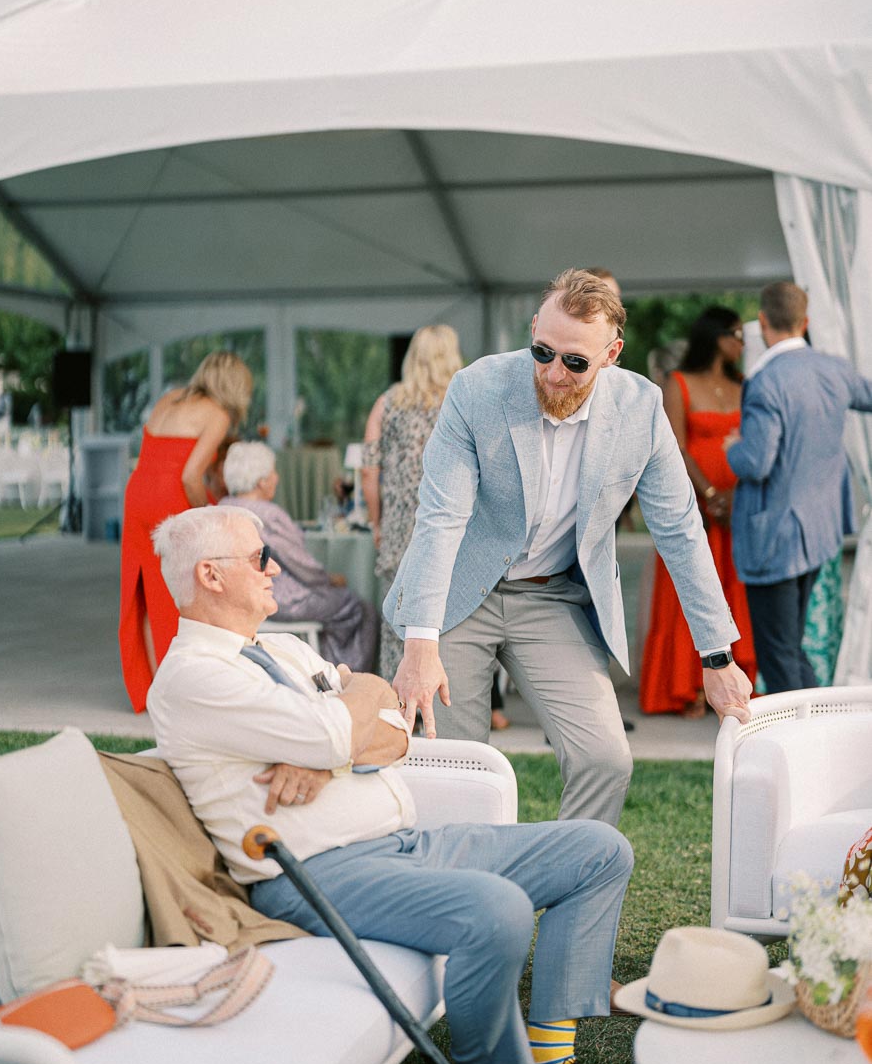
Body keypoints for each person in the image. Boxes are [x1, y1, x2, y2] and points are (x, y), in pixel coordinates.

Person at [146, 505, 638, 1064]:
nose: (275, 568)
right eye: (260, 557)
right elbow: (343, 730)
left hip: (402, 842)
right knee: (496, 908)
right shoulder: (193, 676)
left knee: (598, 850)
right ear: (210, 576)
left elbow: (395, 723)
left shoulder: (284, 650)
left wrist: (339, 738)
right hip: (318, 872)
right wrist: (342, 733)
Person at [386, 268, 752, 826]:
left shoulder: (641, 408)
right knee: (457, 768)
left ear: (611, 355)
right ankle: (466, 878)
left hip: (551, 598)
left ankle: (569, 869)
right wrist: (420, 643)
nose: (554, 373)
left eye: (576, 362)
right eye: (543, 352)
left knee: (605, 760)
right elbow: (441, 518)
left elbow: (680, 531)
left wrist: (716, 655)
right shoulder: (477, 389)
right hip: (457, 595)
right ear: (535, 328)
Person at [724, 281, 872, 695]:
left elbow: (756, 462)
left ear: (763, 321)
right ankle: (819, 724)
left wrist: (733, 448)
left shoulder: (765, 381)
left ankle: (801, 733)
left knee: (779, 655)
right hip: (820, 531)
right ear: (805, 322)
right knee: (789, 648)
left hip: (774, 538)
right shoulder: (835, 369)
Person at [119, 349, 253, 712]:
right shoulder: (217, 414)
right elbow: (190, 476)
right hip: (169, 500)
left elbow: (150, 454)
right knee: (180, 594)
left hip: (137, 494)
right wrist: (209, 514)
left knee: (143, 594)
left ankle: (152, 688)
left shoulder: (169, 398)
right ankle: (180, 691)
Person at [640, 308, 756, 717]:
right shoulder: (678, 382)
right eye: (736, 334)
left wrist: (734, 496)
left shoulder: (744, 384)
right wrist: (707, 494)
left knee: (734, 591)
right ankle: (685, 686)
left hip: (737, 507)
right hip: (694, 505)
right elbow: (675, 444)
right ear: (715, 336)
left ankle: (737, 683)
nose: (742, 342)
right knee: (689, 590)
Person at [220, 440, 378, 671]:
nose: (277, 478)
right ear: (262, 481)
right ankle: (340, 673)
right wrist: (328, 578)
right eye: (273, 472)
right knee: (357, 608)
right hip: (281, 599)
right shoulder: (269, 515)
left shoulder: (223, 507)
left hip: (240, 597)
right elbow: (300, 564)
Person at [362, 325, 463, 683]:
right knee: (450, 620)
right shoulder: (461, 402)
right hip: (452, 528)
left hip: (399, 528)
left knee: (398, 619)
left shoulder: (387, 403)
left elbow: (368, 470)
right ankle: (446, 701)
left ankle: (396, 702)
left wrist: (376, 522)